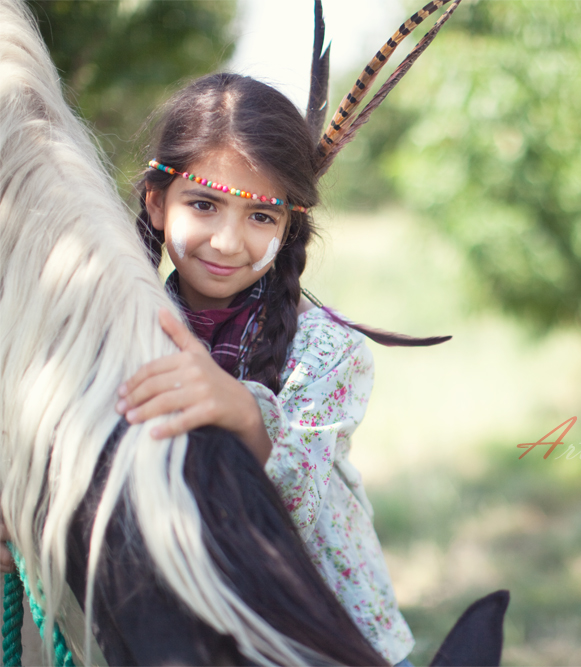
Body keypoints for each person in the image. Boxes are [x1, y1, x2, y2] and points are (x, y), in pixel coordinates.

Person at [109, 73, 416, 666]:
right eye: (204, 204)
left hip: (329, 638)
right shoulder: (119, 330)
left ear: (288, 225)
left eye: (261, 216)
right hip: (190, 636)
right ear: (156, 199)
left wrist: (244, 412)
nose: (227, 242)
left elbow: (291, 502)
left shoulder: (330, 352)